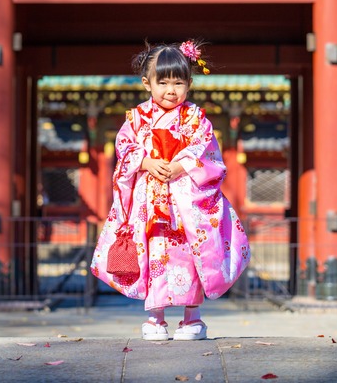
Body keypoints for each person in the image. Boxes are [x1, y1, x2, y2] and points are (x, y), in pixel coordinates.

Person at [91, 39, 251, 341]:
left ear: (189, 84)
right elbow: (124, 148)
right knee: (155, 256)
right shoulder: (136, 118)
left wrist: (182, 165)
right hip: (151, 203)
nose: (170, 90)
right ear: (146, 83)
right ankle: (155, 317)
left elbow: (207, 152)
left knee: (191, 255)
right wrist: (146, 162)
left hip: (186, 205)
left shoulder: (196, 119)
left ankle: (192, 318)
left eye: (178, 82)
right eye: (162, 82)